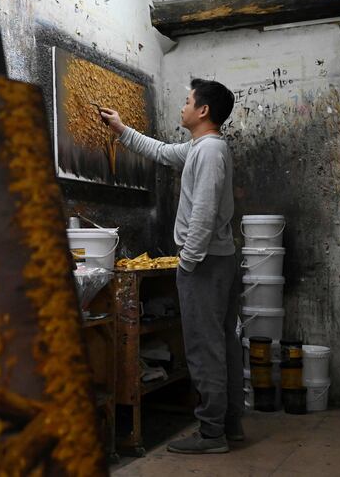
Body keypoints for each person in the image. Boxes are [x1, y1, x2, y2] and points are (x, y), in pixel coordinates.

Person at [100, 78, 242, 454]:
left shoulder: (210, 151)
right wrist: (121, 129)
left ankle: (212, 434)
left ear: (203, 111)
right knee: (222, 342)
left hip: (206, 263)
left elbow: (205, 212)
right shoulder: (201, 147)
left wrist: (188, 262)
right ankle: (229, 424)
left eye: (187, 101)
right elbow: (162, 152)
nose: (183, 106)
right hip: (215, 260)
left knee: (204, 346)